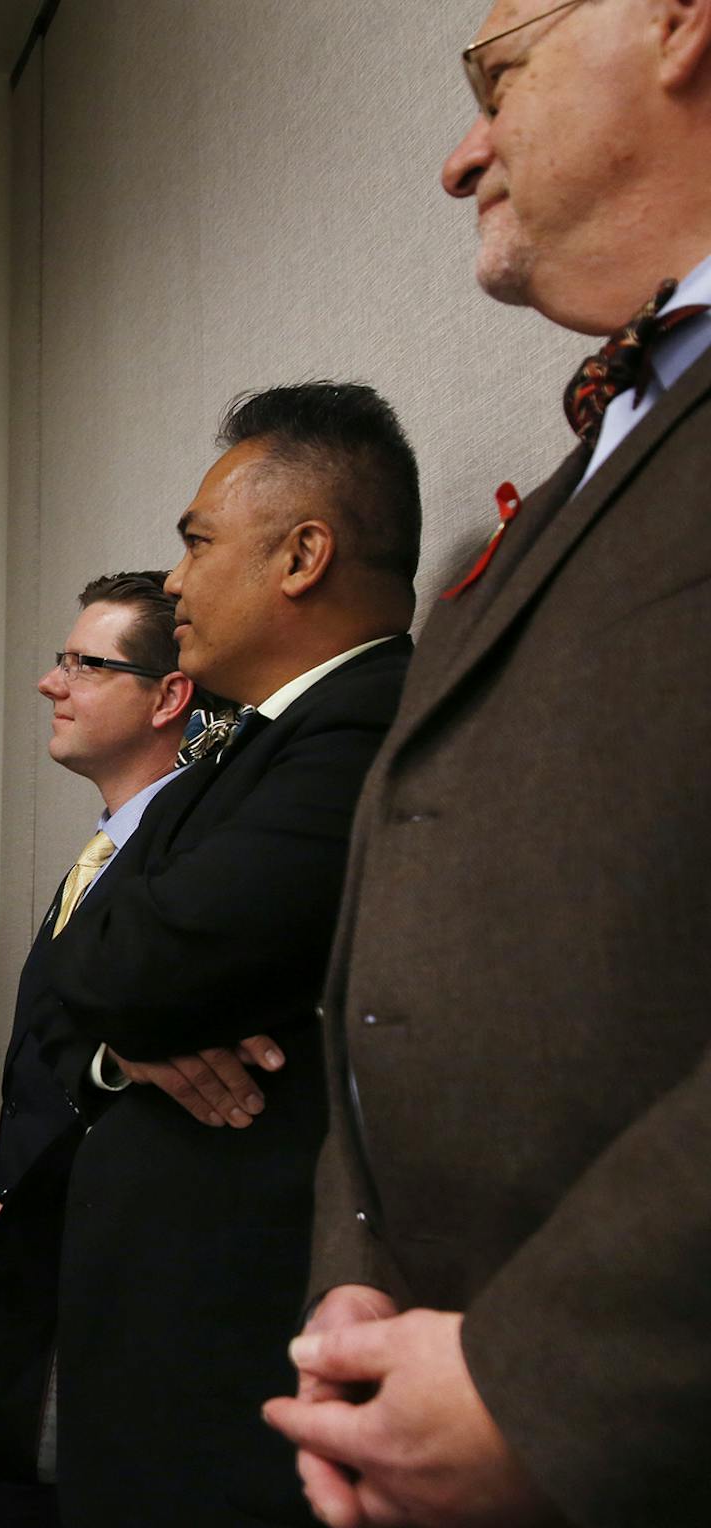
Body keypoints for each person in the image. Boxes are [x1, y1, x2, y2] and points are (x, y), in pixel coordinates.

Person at [264, 5, 711, 1525]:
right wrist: (357, 1294)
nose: (464, 156)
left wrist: (548, 1377)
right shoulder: (582, 476)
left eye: (495, 76)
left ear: (676, 23)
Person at [44, 384, 418, 1524]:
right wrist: (123, 1049)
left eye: (198, 544)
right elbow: (87, 968)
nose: (174, 580)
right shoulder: (243, 743)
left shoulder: (369, 723)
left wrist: (120, 1005)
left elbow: (126, 963)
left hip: (234, 1332)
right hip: (163, 1328)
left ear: (303, 554)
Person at [0, 571, 216, 1527]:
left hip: (104, 1295)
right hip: (25, 1269)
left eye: (84, 664)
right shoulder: (103, 850)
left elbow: (112, 1080)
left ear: (168, 696)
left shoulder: (190, 858)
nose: (52, 684)